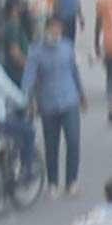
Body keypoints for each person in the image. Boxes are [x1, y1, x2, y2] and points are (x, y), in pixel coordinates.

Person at [27, 10, 85, 196]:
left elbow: (74, 71)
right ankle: (52, 182)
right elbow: (29, 77)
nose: (55, 31)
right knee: (51, 145)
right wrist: (27, 99)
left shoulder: (67, 47)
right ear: (46, 29)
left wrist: (81, 94)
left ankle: (71, 181)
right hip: (48, 103)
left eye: (58, 28)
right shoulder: (36, 51)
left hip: (69, 100)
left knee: (73, 142)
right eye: (52, 28)